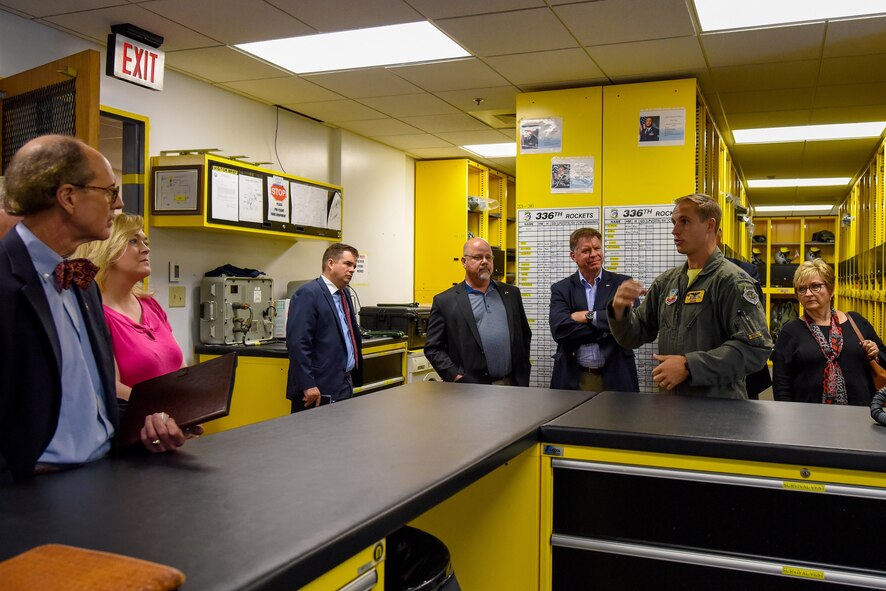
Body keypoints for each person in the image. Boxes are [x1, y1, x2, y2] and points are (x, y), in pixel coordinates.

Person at [0, 135, 187, 480]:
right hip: (31, 489)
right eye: (110, 192)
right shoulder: (5, 278)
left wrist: (148, 423)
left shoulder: (83, 282)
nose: (119, 204)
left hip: (105, 473)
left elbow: (94, 399)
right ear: (69, 197)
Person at [607, 193, 772, 399]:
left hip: (718, 408)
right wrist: (619, 309)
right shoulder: (667, 282)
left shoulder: (732, 281)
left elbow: (755, 348)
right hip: (672, 407)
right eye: (674, 222)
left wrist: (689, 365)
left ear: (710, 225)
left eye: (684, 221)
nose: (675, 230)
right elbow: (633, 335)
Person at [75, 214, 190, 407]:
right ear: (106, 249)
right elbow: (112, 387)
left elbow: (180, 367)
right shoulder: (96, 314)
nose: (146, 249)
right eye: (133, 241)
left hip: (174, 419)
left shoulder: (150, 305)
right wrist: (164, 409)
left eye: (145, 242)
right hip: (136, 420)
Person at [772, 259, 886, 405]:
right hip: (808, 415)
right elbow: (782, 385)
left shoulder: (856, 322)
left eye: (815, 286)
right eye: (802, 289)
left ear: (830, 290)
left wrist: (876, 353)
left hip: (860, 412)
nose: (808, 293)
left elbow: (883, 356)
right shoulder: (790, 332)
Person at [425, 237, 531, 386]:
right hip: (470, 388)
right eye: (478, 257)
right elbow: (433, 348)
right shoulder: (445, 301)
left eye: (488, 257)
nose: (485, 262)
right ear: (464, 262)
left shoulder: (511, 294)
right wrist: (455, 375)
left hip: (512, 385)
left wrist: (523, 370)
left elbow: (524, 335)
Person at [549, 228, 639, 392]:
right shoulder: (561, 289)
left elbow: (630, 323)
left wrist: (588, 316)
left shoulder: (622, 284)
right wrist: (607, 329)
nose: (594, 254)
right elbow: (560, 330)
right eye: (586, 250)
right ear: (573, 256)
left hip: (616, 375)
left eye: (597, 248)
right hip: (573, 377)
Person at [286, 243, 362, 412]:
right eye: (348, 264)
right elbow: (298, 343)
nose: (352, 270)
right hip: (317, 387)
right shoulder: (308, 294)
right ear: (331, 263)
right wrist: (308, 384)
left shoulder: (344, 293)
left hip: (343, 382)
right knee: (316, 430)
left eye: (354, 266)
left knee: (344, 428)